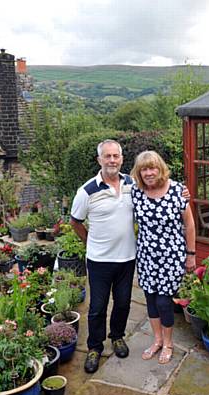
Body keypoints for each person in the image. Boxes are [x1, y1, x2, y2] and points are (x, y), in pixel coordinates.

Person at [70, 140, 135, 373]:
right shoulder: (87, 191)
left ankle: (117, 336)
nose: (112, 160)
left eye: (115, 156)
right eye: (107, 156)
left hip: (127, 259)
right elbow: (75, 222)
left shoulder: (132, 184)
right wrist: (91, 243)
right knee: (97, 307)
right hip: (99, 261)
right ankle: (95, 347)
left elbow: (157, 188)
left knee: (124, 303)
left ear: (121, 159)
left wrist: (182, 190)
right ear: (99, 160)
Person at [130, 151, 196, 365]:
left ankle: (168, 343)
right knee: (150, 298)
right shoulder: (135, 192)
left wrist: (191, 255)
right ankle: (157, 340)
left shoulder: (177, 191)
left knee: (164, 301)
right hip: (147, 256)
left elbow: (190, 225)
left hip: (172, 256)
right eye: (144, 169)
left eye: (153, 168)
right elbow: (112, 180)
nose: (149, 173)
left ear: (160, 168)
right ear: (139, 173)